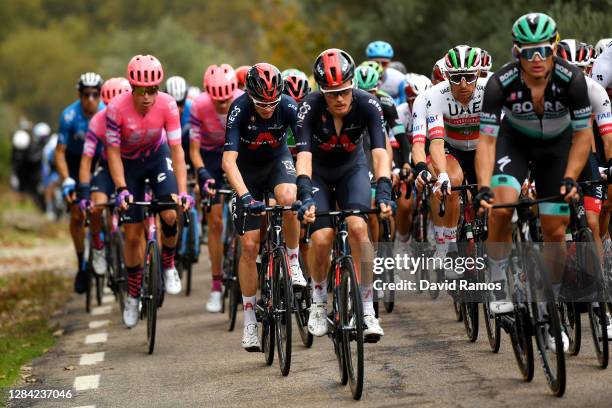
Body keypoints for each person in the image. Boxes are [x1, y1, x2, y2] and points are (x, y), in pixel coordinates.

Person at [477, 13, 594, 353]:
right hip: (514, 144)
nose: (537, 59)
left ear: (554, 48)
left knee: (556, 231)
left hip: (557, 150)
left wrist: (571, 176)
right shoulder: (500, 83)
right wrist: (483, 184)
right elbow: (486, 141)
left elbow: (584, 135)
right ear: (517, 53)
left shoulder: (572, 80)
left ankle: (551, 305)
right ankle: (497, 278)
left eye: (543, 50)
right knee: (501, 207)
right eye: (528, 52)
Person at [295, 48, 393, 342]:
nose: (339, 98)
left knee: (358, 226)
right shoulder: (308, 108)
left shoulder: (368, 105)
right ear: (321, 90)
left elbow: (379, 152)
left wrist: (385, 189)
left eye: (344, 91)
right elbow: (303, 157)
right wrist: (305, 195)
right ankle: (319, 299)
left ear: (353, 85)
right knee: (322, 237)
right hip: (319, 176)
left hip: (353, 169)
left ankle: (366, 309)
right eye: (331, 92)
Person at [222, 63, 306, 351]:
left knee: (288, 199)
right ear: (250, 96)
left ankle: (293, 262)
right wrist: (245, 196)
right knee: (249, 246)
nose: (268, 108)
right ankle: (249, 321)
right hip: (246, 172)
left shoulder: (288, 106)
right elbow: (228, 161)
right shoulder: (239, 108)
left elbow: (306, 149)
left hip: (277, 162)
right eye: (261, 103)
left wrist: (308, 186)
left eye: (272, 102)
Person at [106, 55, 192, 328]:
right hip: (129, 165)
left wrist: (182, 192)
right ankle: (132, 294)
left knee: (169, 214)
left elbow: (177, 150)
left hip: (157, 159)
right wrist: (120, 188)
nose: (146, 97)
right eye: (141, 91)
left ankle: (168, 265)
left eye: (152, 90)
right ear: (132, 87)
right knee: (132, 234)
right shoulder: (115, 109)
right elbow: (112, 152)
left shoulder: (167, 104)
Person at [412, 45, 486, 274]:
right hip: (452, 149)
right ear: (446, 76)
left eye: (469, 77)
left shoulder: (490, 89)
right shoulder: (433, 96)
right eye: (455, 78)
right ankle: (449, 246)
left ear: (479, 74)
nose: (463, 84)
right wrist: (441, 175)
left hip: (483, 148)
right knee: (451, 181)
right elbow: (432, 141)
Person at [190, 64, 243, 312]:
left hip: (238, 155)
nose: (222, 104)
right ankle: (215, 286)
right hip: (210, 158)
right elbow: (193, 150)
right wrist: (201, 174)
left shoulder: (243, 100)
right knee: (215, 222)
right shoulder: (199, 106)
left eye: (226, 99)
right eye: (217, 100)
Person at [55, 72, 105, 293]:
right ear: (80, 94)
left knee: (98, 207)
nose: (91, 99)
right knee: (77, 214)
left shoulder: (106, 112)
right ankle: (81, 263)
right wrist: (66, 179)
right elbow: (59, 152)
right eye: (87, 94)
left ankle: (103, 243)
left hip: (99, 160)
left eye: (96, 94)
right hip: (75, 163)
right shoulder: (68, 116)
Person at [77, 78, 132, 277]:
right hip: (107, 167)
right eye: (109, 107)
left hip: (134, 167)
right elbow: (86, 160)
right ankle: (98, 246)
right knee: (96, 206)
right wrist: (84, 193)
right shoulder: (97, 121)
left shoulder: (139, 116)